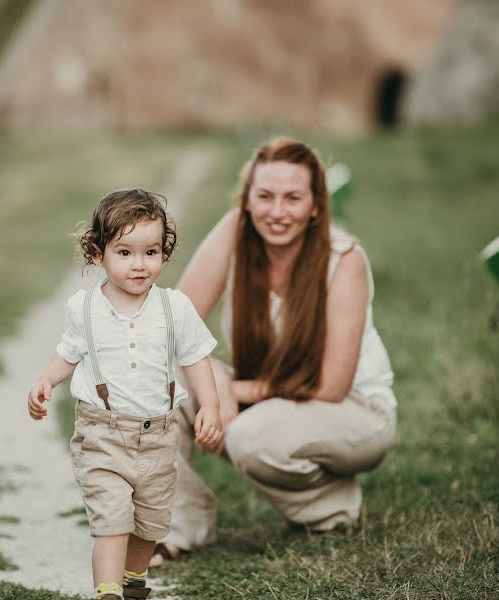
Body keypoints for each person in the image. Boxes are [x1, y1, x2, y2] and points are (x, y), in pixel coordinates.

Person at [150, 137, 397, 567]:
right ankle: (176, 527)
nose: (277, 212)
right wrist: (216, 378)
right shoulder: (234, 232)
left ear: (317, 205)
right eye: (264, 196)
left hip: (355, 411)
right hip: (276, 403)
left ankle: (332, 506)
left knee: (248, 435)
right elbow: (175, 321)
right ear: (246, 200)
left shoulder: (344, 260)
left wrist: (230, 389)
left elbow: (332, 385)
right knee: (161, 377)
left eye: (293, 198)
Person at [26, 188, 223, 600]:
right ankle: (108, 592)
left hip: (158, 436)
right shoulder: (84, 308)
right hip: (103, 433)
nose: (140, 265)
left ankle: (133, 583)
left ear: (163, 253)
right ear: (98, 254)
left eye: (151, 252)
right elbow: (68, 353)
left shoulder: (174, 308)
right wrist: (46, 380)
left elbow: (196, 359)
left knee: (150, 522)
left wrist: (210, 406)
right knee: (112, 518)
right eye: (125, 253)